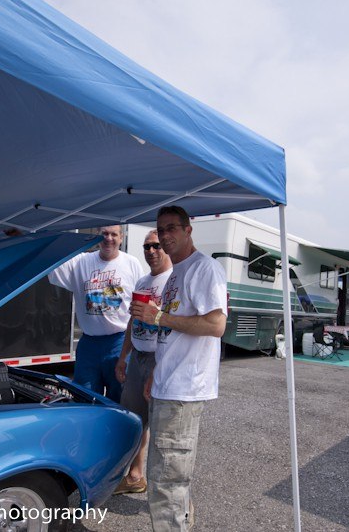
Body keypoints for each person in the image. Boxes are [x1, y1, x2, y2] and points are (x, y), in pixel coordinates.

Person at [130, 206, 227, 532]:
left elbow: (216, 325)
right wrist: (156, 371)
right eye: (161, 229)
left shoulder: (204, 268)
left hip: (184, 389)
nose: (165, 235)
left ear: (188, 230)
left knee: (165, 481)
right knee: (170, 476)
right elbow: (171, 335)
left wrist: (158, 316)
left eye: (172, 228)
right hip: (166, 383)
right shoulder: (176, 273)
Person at [48, 225, 143, 402]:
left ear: (121, 238)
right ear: (97, 236)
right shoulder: (80, 262)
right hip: (89, 345)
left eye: (114, 234)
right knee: (85, 397)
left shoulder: (132, 264)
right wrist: (25, 236)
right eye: (104, 234)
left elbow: (140, 303)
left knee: (119, 398)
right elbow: (49, 259)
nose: (109, 238)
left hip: (119, 343)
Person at [113, 229, 173, 495]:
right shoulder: (142, 281)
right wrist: (123, 357)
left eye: (156, 246)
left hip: (161, 358)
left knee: (164, 429)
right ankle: (136, 476)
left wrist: (158, 367)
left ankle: (171, 495)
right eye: (147, 246)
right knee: (136, 421)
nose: (151, 251)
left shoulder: (173, 281)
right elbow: (132, 321)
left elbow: (178, 328)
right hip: (137, 356)